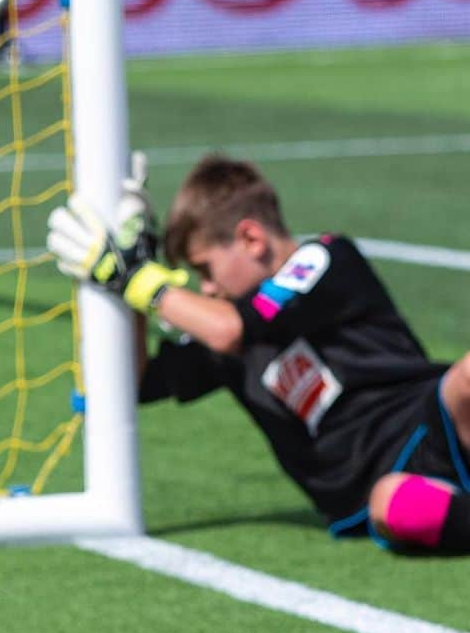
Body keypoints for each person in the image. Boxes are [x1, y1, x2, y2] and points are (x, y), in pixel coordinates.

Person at [47, 153, 470, 554]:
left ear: (251, 238)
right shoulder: (220, 340)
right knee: (396, 506)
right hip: (373, 488)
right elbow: (132, 384)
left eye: (205, 269)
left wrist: (134, 278)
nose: (206, 288)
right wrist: (127, 289)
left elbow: (231, 329)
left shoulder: (324, 258)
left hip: (434, 415)